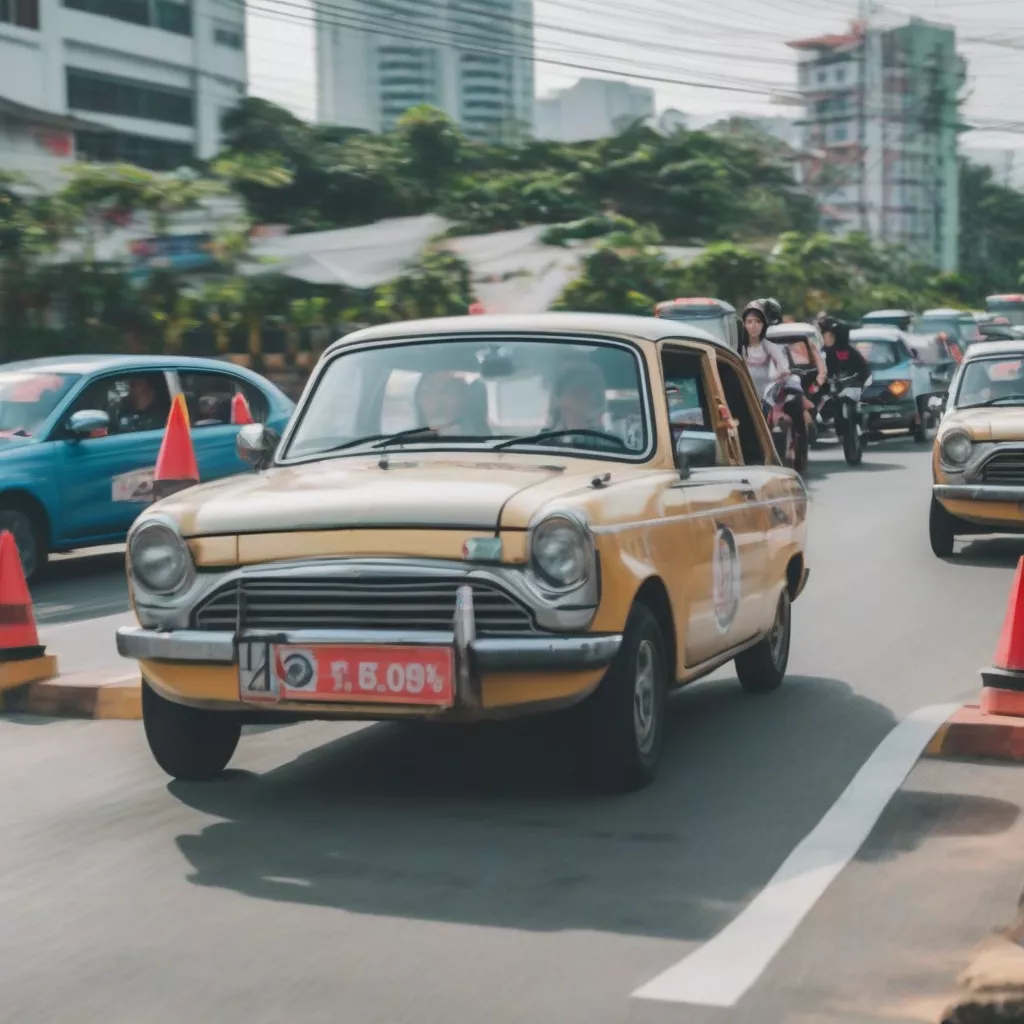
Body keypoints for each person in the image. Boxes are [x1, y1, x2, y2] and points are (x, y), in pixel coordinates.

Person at [739, 300, 790, 409]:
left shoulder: (770, 344)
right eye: (749, 321)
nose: (754, 326)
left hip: (766, 398)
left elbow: (784, 369)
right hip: (743, 396)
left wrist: (772, 380)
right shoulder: (739, 346)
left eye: (758, 321)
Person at [414, 371, 480, 436]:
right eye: (428, 389)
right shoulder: (409, 441)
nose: (436, 400)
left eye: (449, 390)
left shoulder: (479, 441)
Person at [819, 315, 870, 384]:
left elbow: (863, 373)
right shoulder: (821, 353)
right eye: (823, 335)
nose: (824, 338)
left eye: (830, 335)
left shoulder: (848, 353)